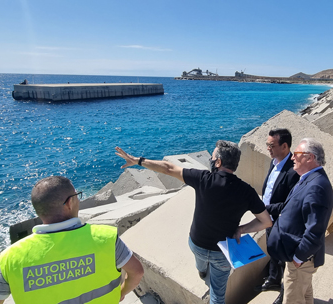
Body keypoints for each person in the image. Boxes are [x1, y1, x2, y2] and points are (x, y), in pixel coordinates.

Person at [115, 141, 272, 304]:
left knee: (201, 264)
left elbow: (168, 168)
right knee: (217, 296)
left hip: (197, 244)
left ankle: (202, 271)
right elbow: (266, 222)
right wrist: (241, 229)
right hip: (223, 252)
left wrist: (138, 161)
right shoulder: (247, 191)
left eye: (212, 157)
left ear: (218, 162)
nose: (211, 160)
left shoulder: (203, 179)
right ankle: (205, 273)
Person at [0, 176, 144, 304]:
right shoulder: (105, 237)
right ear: (70, 203)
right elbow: (137, 272)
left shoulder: (8, 258)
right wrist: (121, 292)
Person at [267, 138, 333, 304]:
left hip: (301, 260)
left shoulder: (317, 186)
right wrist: (264, 208)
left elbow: (315, 230)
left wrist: (298, 257)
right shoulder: (308, 178)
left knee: (293, 300)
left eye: (296, 154)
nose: (292, 158)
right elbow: (291, 206)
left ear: (309, 158)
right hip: (301, 259)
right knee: (305, 295)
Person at [255, 129, 299, 299]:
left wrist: (267, 209)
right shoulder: (274, 161)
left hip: (281, 222)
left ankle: (283, 293)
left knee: (283, 259)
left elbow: (290, 205)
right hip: (268, 218)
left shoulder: (294, 171)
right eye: (267, 145)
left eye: (271, 145)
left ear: (285, 146)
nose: (268, 148)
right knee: (272, 251)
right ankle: (273, 279)